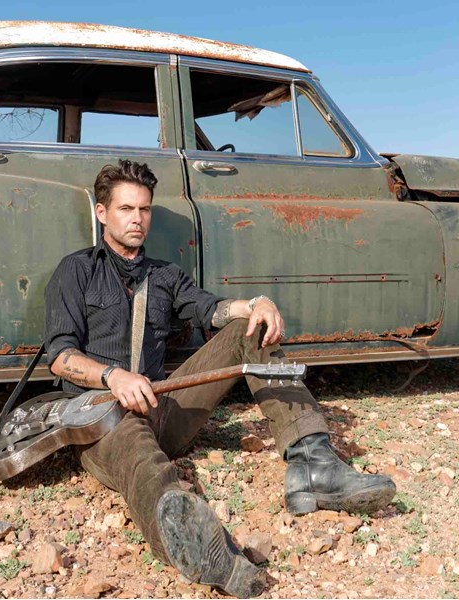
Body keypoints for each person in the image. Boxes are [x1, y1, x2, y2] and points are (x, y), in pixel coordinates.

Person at [44, 159, 396, 597]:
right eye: (126, 209)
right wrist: (113, 376)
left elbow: (212, 310)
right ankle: (207, 553)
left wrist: (257, 304)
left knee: (248, 329)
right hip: (102, 421)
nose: (137, 219)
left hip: (162, 408)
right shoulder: (76, 270)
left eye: (145, 209)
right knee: (145, 463)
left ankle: (314, 465)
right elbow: (60, 357)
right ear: (102, 213)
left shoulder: (164, 275)